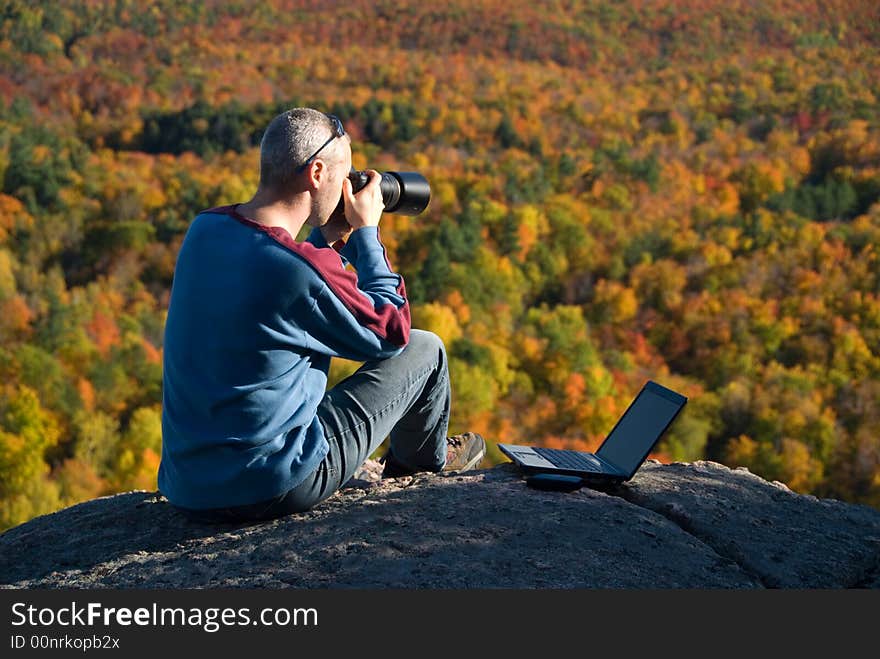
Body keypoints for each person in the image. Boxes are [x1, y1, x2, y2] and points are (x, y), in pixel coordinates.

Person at [158, 108, 486, 524]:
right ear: (316, 173)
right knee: (426, 349)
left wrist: (327, 239)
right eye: (344, 174)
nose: (349, 187)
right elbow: (390, 330)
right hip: (271, 485)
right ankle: (415, 478)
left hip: (188, 485)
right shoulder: (294, 268)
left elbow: (284, 276)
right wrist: (367, 234)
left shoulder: (205, 229)